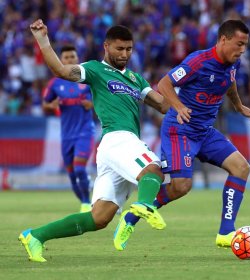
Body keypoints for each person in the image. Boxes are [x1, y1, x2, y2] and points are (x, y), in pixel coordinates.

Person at [19, 19, 169, 262]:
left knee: (98, 218)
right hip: (117, 138)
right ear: (106, 47)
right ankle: (145, 206)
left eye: (129, 49)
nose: (124, 54)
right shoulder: (95, 70)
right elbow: (61, 70)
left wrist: (183, 89)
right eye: (119, 49)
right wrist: (42, 40)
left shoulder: (135, 78)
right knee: (153, 169)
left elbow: (163, 104)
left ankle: (35, 236)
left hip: (115, 150)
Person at [118, 19, 250, 249]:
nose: (242, 49)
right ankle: (131, 217)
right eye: (239, 44)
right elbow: (164, 84)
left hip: (204, 131)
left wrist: (238, 105)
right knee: (181, 186)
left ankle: (225, 232)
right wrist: (179, 107)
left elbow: (230, 82)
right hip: (180, 130)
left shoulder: (234, 62)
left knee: (241, 167)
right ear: (224, 39)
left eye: (245, 45)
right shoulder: (198, 61)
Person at [42, 45, 95, 213]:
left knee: (79, 168)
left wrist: (92, 104)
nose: (70, 60)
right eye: (66, 57)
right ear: (61, 60)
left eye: (73, 56)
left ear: (77, 58)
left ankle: (86, 203)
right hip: (66, 135)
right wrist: (52, 105)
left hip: (85, 132)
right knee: (72, 175)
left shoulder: (88, 80)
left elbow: (102, 99)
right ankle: (85, 200)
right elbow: (44, 105)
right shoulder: (55, 83)